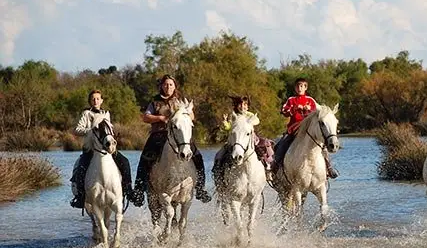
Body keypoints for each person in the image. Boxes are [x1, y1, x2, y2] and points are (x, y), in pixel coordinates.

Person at [130, 74, 211, 206]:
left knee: (198, 156)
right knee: (145, 157)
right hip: (159, 134)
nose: (168, 87)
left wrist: (188, 113)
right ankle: (139, 191)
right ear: (161, 86)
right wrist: (160, 118)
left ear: (175, 87)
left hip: (180, 136)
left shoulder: (180, 101)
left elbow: (192, 116)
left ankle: (200, 188)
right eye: (165, 84)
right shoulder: (154, 102)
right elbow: (146, 117)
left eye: (171, 85)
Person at [70, 90, 133, 209]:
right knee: (81, 167)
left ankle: (128, 189)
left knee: (125, 162)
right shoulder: (86, 114)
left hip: (106, 147)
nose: (95, 101)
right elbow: (77, 130)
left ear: (101, 100)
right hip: (91, 148)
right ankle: (80, 196)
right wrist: (90, 131)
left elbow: (109, 128)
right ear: (90, 101)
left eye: (98, 98)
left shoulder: (106, 113)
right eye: (93, 99)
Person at [272, 77, 339, 178]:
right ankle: (275, 166)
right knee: (283, 142)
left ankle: (328, 167)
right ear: (295, 88)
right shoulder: (291, 100)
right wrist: (295, 108)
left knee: (321, 143)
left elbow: (319, 111)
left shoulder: (310, 100)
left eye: (302, 86)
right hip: (294, 128)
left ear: (305, 88)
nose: (300, 88)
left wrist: (309, 109)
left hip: (308, 128)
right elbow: (284, 111)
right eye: (298, 86)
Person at [212, 96, 275, 183]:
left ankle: (268, 167)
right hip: (235, 140)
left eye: (245, 104)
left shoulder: (250, 115)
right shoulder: (233, 116)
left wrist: (250, 121)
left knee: (264, 146)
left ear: (248, 106)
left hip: (250, 138)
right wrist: (224, 122)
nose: (242, 106)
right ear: (236, 105)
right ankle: (218, 174)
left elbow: (257, 120)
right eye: (240, 104)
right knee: (220, 154)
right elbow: (228, 127)